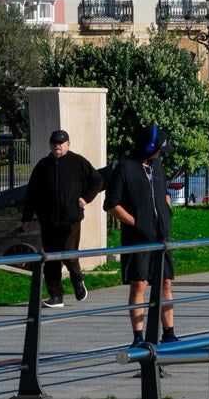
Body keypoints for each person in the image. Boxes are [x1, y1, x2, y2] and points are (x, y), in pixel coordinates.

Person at [103, 124, 176, 346]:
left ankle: (169, 333)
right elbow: (111, 204)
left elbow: (164, 194)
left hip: (161, 238)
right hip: (139, 239)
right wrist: (136, 222)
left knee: (166, 283)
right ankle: (138, 337)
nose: (162, 154)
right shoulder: (125, 168)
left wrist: (167, 213)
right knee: (140, 285)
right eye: (159, 149)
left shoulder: (157, 166)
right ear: (149, 147)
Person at [21, 129, 104, 308]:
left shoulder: (78, 162)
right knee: (50, 258)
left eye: (61, 143)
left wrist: (86, 197)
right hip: (49, 220)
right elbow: (32, 193)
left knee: (69, 253)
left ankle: (77, 280)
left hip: (71, 218)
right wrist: (26, 217)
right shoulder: (43, 166)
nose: (57, 146)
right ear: (50, 145)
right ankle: (56, 296)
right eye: (54, 143)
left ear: (68, 144)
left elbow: (97, 179)